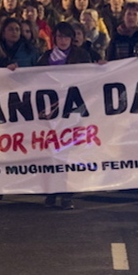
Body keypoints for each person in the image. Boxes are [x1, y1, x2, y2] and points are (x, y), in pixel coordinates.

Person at [37, 21, 92, 210]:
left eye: (66, 36)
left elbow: (91, 77)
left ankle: (67, 193)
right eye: (60, 36)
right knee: (52, 151)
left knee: (68, 152)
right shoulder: (46, 57)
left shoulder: (81, 55)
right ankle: (53, 190)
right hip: (52, 112)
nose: (63, 40)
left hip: (72, 110)